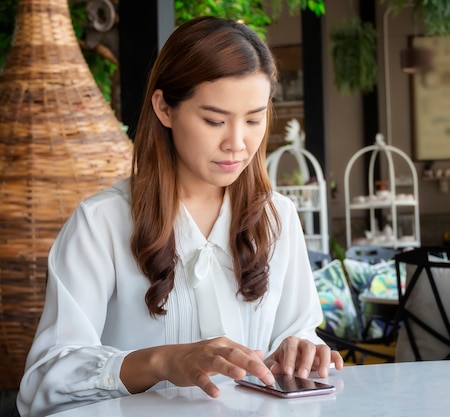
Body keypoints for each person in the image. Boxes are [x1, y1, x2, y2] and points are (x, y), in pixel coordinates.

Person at [17, 16, 343, 417]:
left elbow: (296, 334)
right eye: (214, 120)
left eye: (255, 119)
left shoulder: (278, 218)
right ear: (164, 108)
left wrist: (300, 350)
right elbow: (44, 382)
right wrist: (163, 361)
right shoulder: (101, 223)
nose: (237, 143)